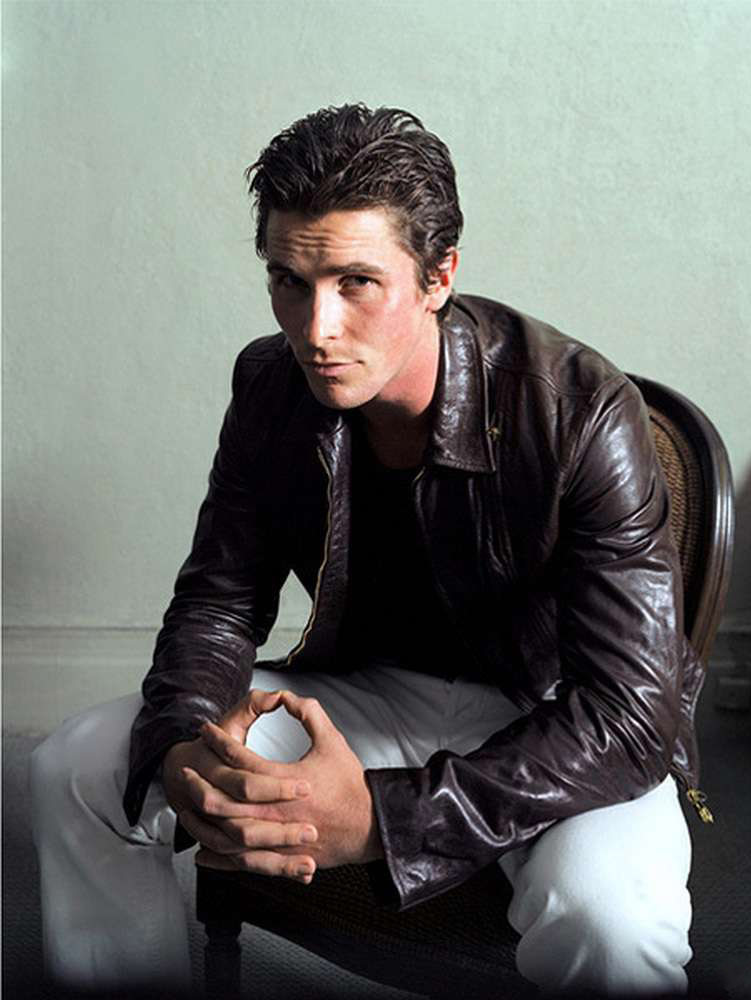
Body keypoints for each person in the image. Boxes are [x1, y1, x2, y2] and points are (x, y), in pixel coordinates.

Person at [31, 104, 708, 997]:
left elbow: (628, 713)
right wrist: (182, 740)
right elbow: (220, 599)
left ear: (438, 276)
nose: (316, 329)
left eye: (356, 282)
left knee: (610, 921)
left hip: (557, 717)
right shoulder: (270, 385)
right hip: (367, 692)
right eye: (289, 281)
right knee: (79, 766)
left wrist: (383, 821)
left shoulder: (579, 410)